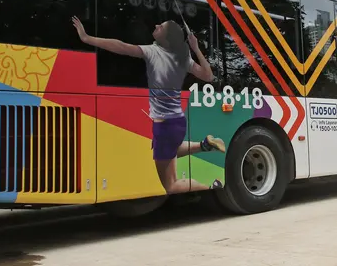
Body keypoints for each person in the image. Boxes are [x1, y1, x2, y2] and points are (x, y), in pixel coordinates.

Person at [72, 17, 225, 194]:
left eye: (161, 27)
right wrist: (196, 48)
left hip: (166, 125)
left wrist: (87, 38)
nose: (155, 25)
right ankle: (206, 145)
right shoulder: (182, 57)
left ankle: (210, 188)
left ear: (166, 38)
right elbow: (208, 76)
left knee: (170, 185)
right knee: (171, 150)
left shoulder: (153, 52)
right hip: (177, 122)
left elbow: (120, 46)